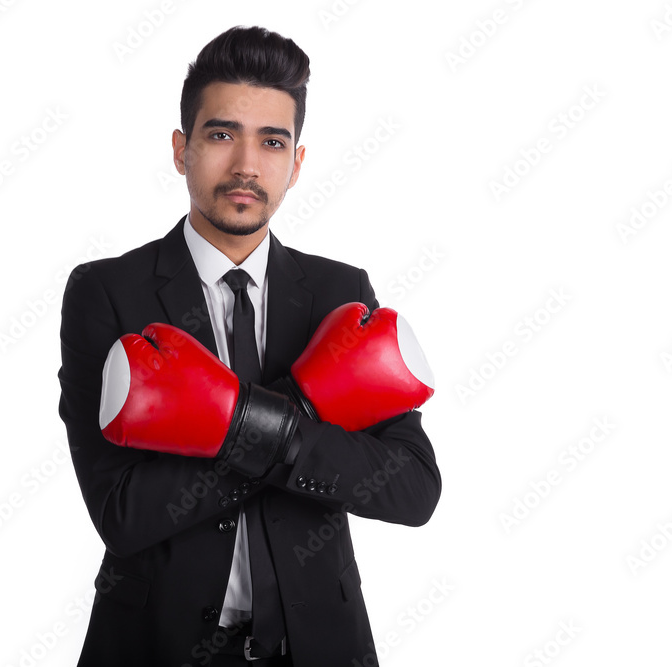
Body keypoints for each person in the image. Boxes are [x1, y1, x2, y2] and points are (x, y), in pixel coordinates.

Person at [57, 25, 441, 666]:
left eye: (271, 141)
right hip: (153, 647)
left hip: (320, 648)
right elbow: (121, 511)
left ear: (296, 162)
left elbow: (412, 488)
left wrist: (246, 423)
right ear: (181, 150)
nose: (245, 165)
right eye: (220, 134)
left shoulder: (339, 293)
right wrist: (303, 414)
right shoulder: (107, 291)